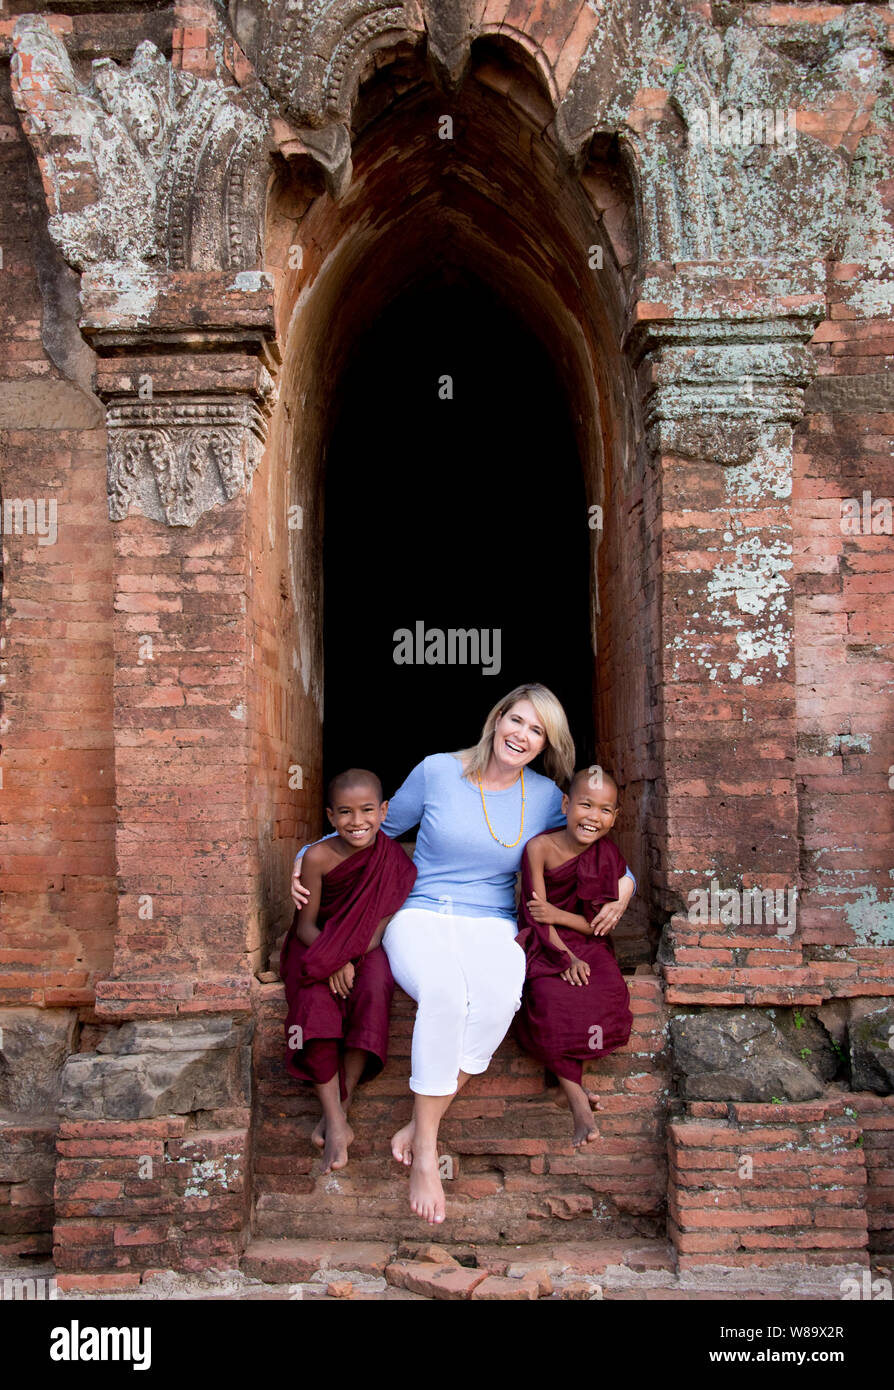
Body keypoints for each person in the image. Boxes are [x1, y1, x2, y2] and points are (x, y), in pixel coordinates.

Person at [291, 685, 637, 1222]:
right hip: (420, 913)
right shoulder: (436, 771)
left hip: (492, 922)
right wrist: (301, 863)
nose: (521, 735)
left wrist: (629, 888)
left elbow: (601, 852)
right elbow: (368, 825)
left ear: (546, 742)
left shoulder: (548, 796)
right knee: (446, 995)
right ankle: (426, 1154)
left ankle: (420, 1123)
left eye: (537, 730)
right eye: (516, 720)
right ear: (497, 719)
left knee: (501, 998)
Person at [279, 769, 416, 1173]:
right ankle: (336, 1124)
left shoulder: (393, 861)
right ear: (330, 816)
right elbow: (304, 926)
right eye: (345, 813)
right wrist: (334, 958)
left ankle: (345, 1098)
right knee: (314, 1001)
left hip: (364, 947)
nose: (357, 822)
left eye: (367, 810)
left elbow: (378, 927)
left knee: (374, 987)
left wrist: (349, 956)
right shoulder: (318, 858)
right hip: (315, 945)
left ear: (384, 810)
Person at [513, 766, 633, 1147]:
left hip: (589, 943)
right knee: (549, 1001)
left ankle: (576, 1095)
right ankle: (577, 1100)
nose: (593, 817)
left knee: (606, 995)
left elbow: (598, 925)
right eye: (585, 805)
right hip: (544, 942)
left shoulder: (608, 854)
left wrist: (563, 918)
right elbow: (536, 915)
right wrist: (565, 958)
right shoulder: (539, 848)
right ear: (566, 805)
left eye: (605, 810)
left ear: (615, 818)